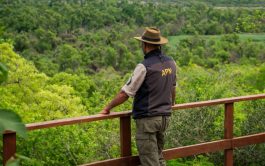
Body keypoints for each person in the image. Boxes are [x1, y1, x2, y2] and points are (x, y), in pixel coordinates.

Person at [100, 27, 177, 166]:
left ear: (145, 45)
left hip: (148, 120)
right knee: (159, 159)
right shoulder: (171, 62)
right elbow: (172, 87)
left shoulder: (144, 66)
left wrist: (108, 107)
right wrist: (171, 104)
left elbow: (125, 93)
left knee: (150, 162)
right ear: (159, 44)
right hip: (164, 118)